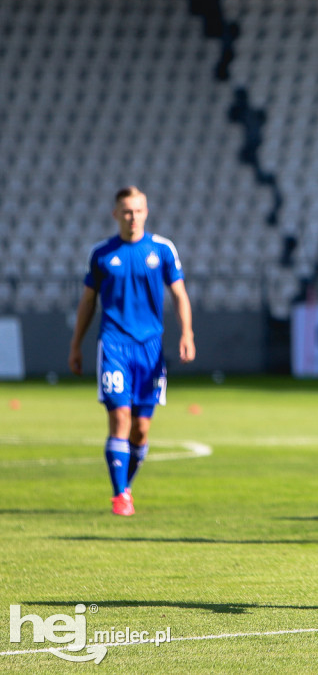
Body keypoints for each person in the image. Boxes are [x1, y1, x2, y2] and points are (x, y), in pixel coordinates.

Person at [68, 186, 196, 516]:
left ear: (146, 212)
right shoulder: (102, 254)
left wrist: (187, 333)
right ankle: (119, 496)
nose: (132, 217)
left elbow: (180, 294)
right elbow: (87, 301)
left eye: (137, 210)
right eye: (126, 211)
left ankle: (126, 485)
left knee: (142, 428)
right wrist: (76, 345)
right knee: (120, 417)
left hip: (151, 349)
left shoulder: (162, 250)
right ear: (116, 215)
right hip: (114, 346)